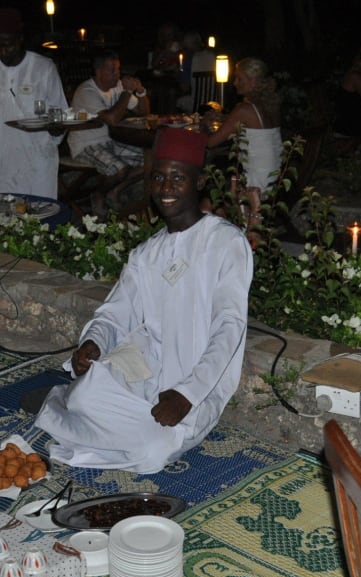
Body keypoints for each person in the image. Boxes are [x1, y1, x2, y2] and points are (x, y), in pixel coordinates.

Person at [35, 127, 253, 474]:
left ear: (198, 183)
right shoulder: (147, 254)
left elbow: (230, 327)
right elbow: (116, 312)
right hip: (147, 368)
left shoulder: (226, 243)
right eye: (158, 178)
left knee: (152, 453)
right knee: (81, 397)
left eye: (177, 178)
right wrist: (94, 341)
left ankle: (121, 432)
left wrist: (187, 394)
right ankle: (94, 413)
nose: (165, 188)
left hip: (199, 386)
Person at [0, 7, 68, 197]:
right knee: (2, 217)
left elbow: (59, 112)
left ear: (19, 40)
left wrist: (57, 128)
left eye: (9, 45)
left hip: (39, 160)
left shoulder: (43, 68)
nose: (4, 51)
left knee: (38, 218)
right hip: (5, 162)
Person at [67, 50, 150, 214]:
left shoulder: (117, 86)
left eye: (118, 69)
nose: (117, 74)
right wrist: (127, 92)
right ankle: (98, 194)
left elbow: (143, 111)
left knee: (150, 160)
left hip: (110, 141)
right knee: (119, 169)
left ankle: (115, 191)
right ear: (98, 72)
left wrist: (140, 91)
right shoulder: (86, 91)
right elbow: (112, 119)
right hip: (86, 144)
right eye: (112, 70)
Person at [203, 57, 282, 193]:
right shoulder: (272, 106)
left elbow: (210, 143)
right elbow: (257, 127)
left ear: (252, 82)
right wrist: (225, 118)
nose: (234, 83)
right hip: (275, 179)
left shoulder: (244, 109)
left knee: (210, 170)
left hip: (256, 184)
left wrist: (203, 124)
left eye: (239, 79)